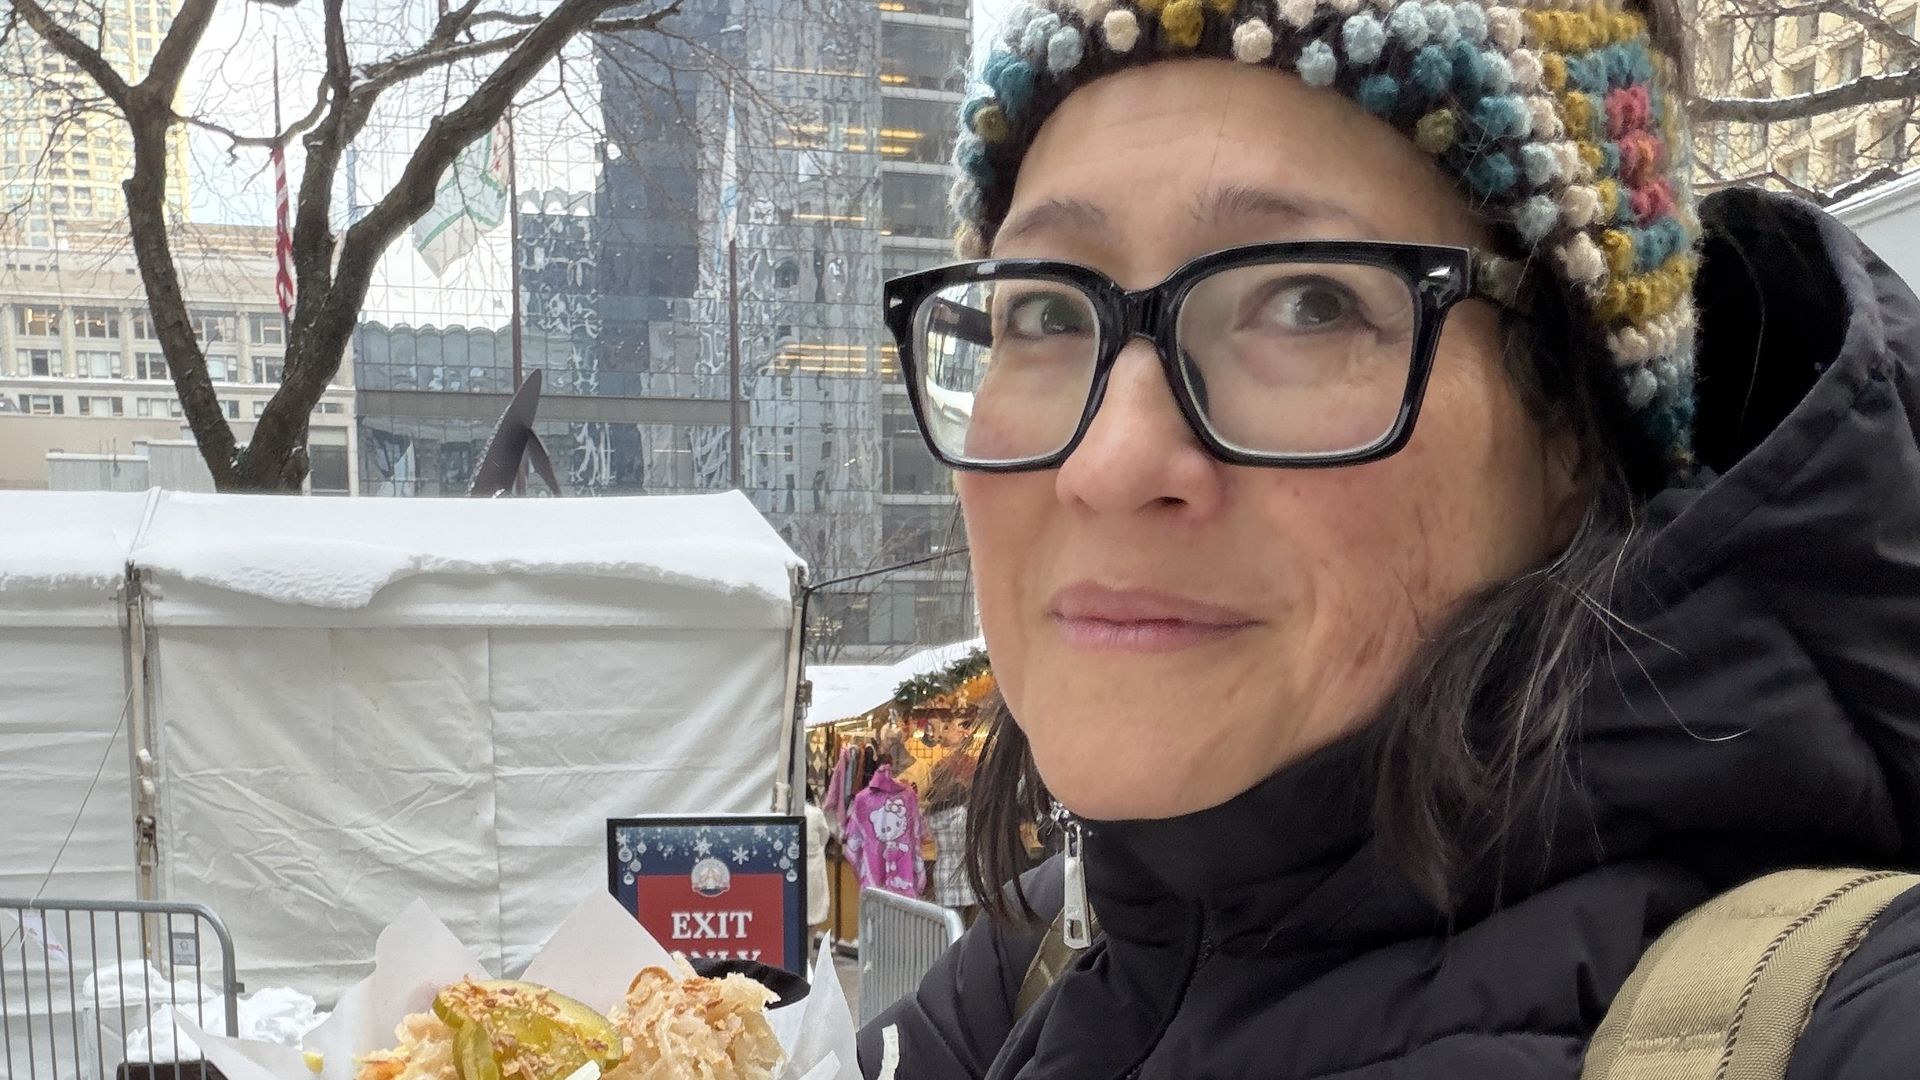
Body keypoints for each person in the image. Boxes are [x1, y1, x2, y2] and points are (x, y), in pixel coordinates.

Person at [856, 0, 1920, 1074]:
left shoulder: (1843, 1026)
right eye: (1045, 314)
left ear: (1574, 430)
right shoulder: (1016, 980)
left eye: (1310, 302)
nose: (1109, 463)